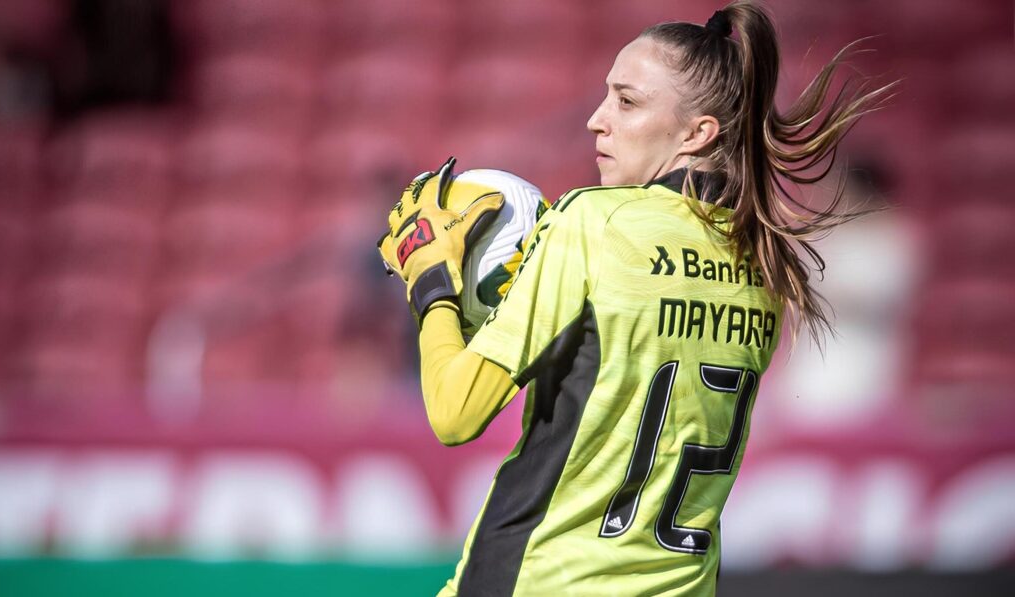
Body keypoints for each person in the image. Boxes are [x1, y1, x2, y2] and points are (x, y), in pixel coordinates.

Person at [377, 2, 894, 595]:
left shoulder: (594, 223)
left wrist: (433, 283)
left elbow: (455, 412)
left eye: (627, 102)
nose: (597, 120)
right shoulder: (763, 261)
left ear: (698, 133)